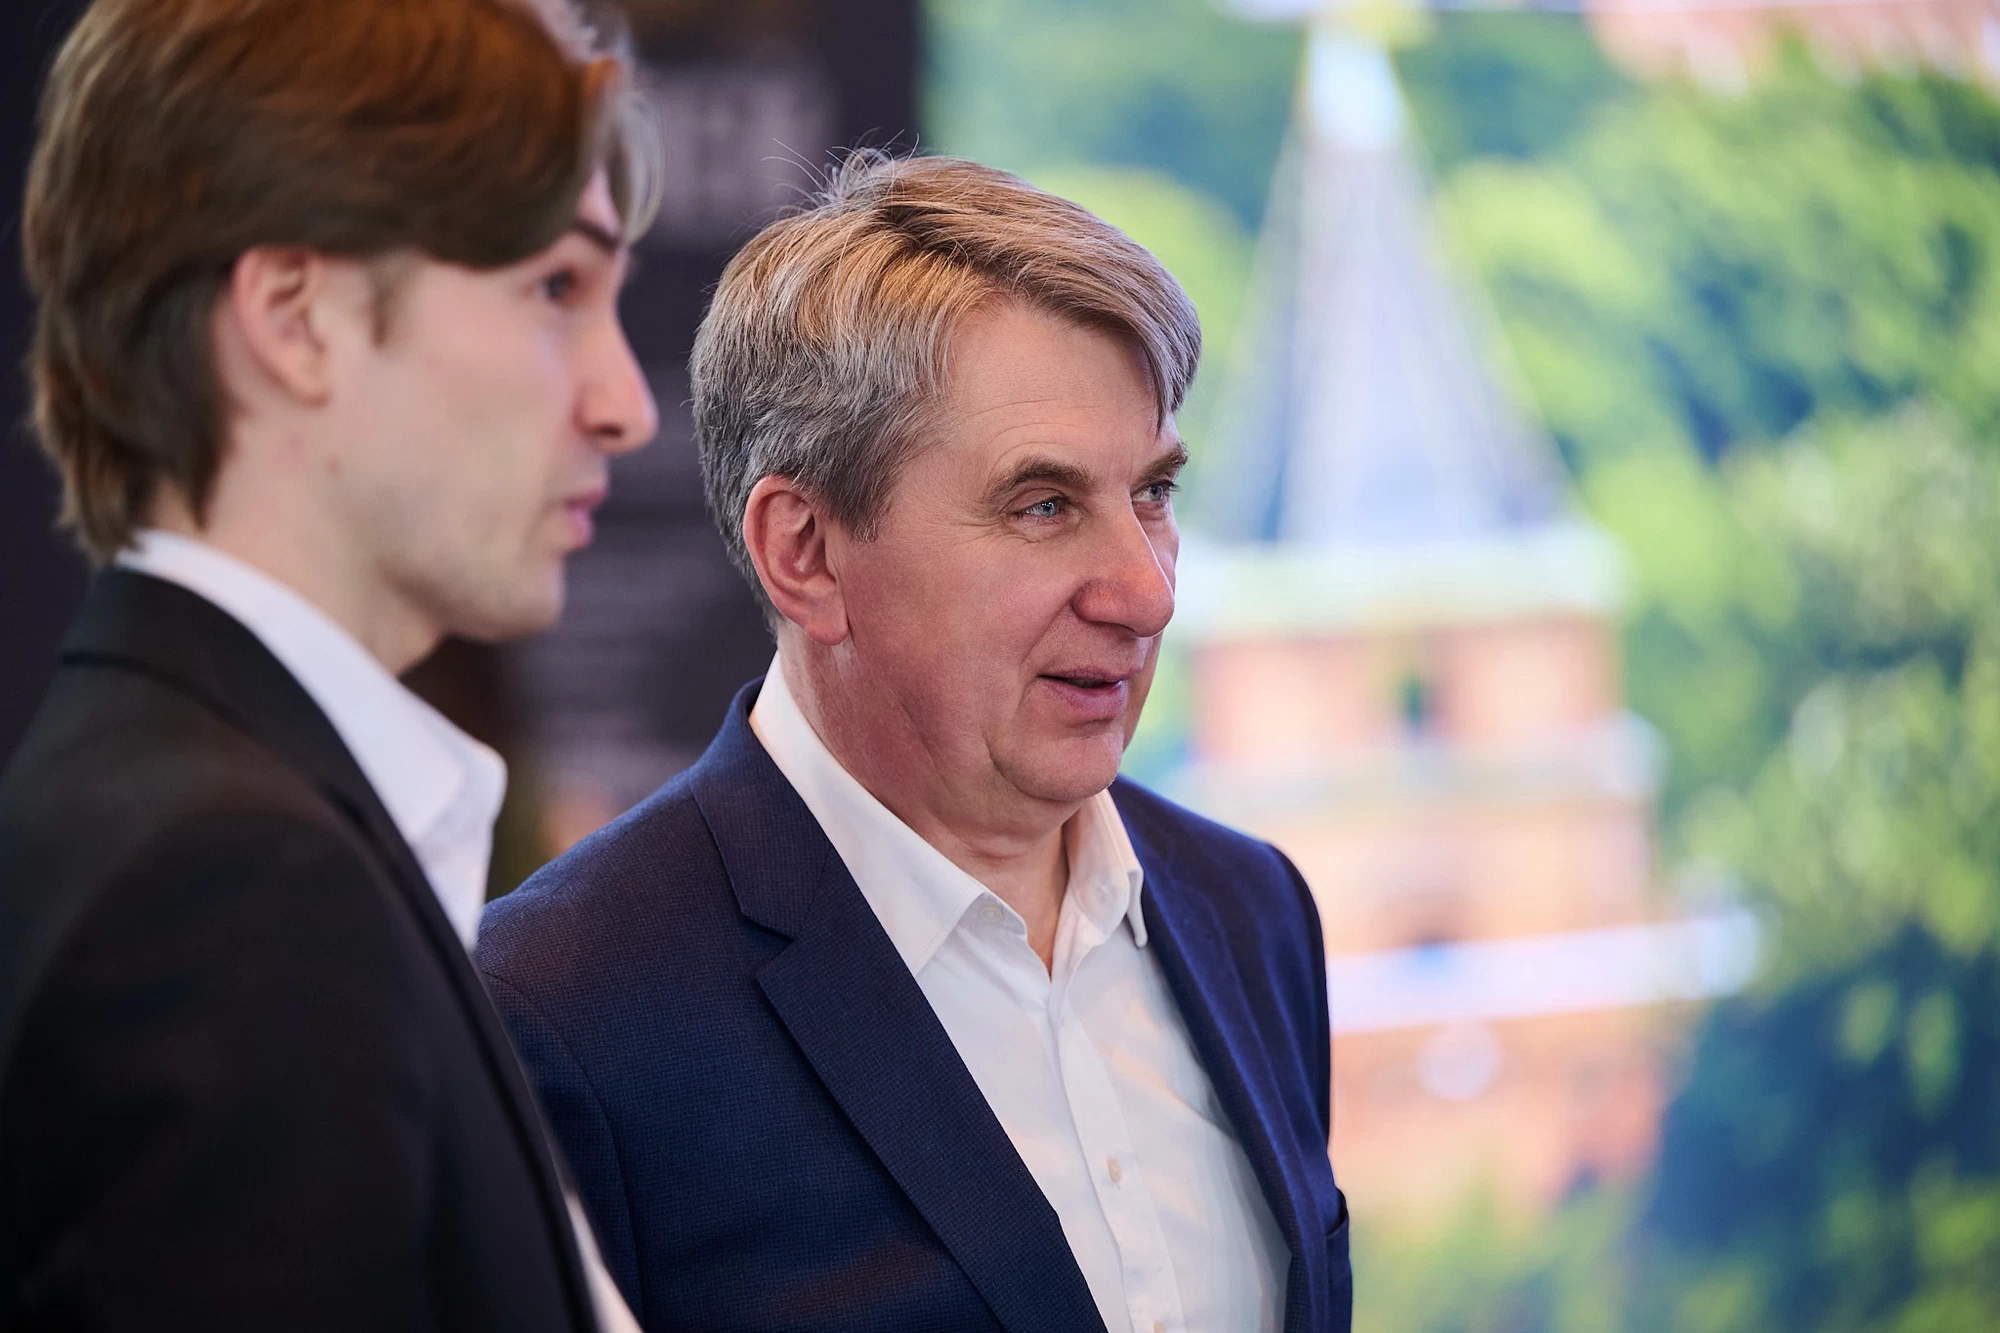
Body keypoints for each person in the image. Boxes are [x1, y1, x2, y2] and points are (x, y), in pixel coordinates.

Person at [479, 152, 1353, 1333]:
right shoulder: (558, 1016)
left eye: (1151, 494)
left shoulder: (1250, 909)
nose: (1145, 592)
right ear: (805, 553)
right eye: (1042, 505)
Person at [0, 0, 661, 1327]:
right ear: (295, 316)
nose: (627, 405)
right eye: (554, 288)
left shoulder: (189, 805)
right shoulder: (232, 884)